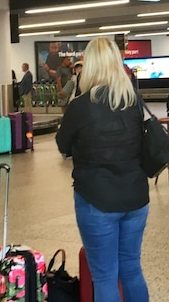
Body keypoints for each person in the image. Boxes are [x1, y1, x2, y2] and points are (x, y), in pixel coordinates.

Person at [55, 38, 149, 301]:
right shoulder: (133, 101)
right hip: (136, 199)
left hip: (96, 200)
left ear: (90, 66)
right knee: (131, 269)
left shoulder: (80, 106)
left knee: (106, 276)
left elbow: (63, 145)